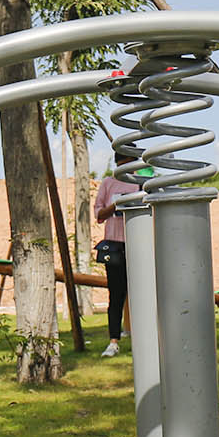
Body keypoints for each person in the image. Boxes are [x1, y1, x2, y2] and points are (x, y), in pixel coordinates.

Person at [92, 152, 141, 357]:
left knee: (142, 294)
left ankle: (145, 339)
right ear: (123, 161)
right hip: (114, 246)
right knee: (116, 295)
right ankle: (113, 341)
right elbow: (98, 215)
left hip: (138, 244)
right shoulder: (108, 183)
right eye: (130, 161)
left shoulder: (141, 183)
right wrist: (115, 206)